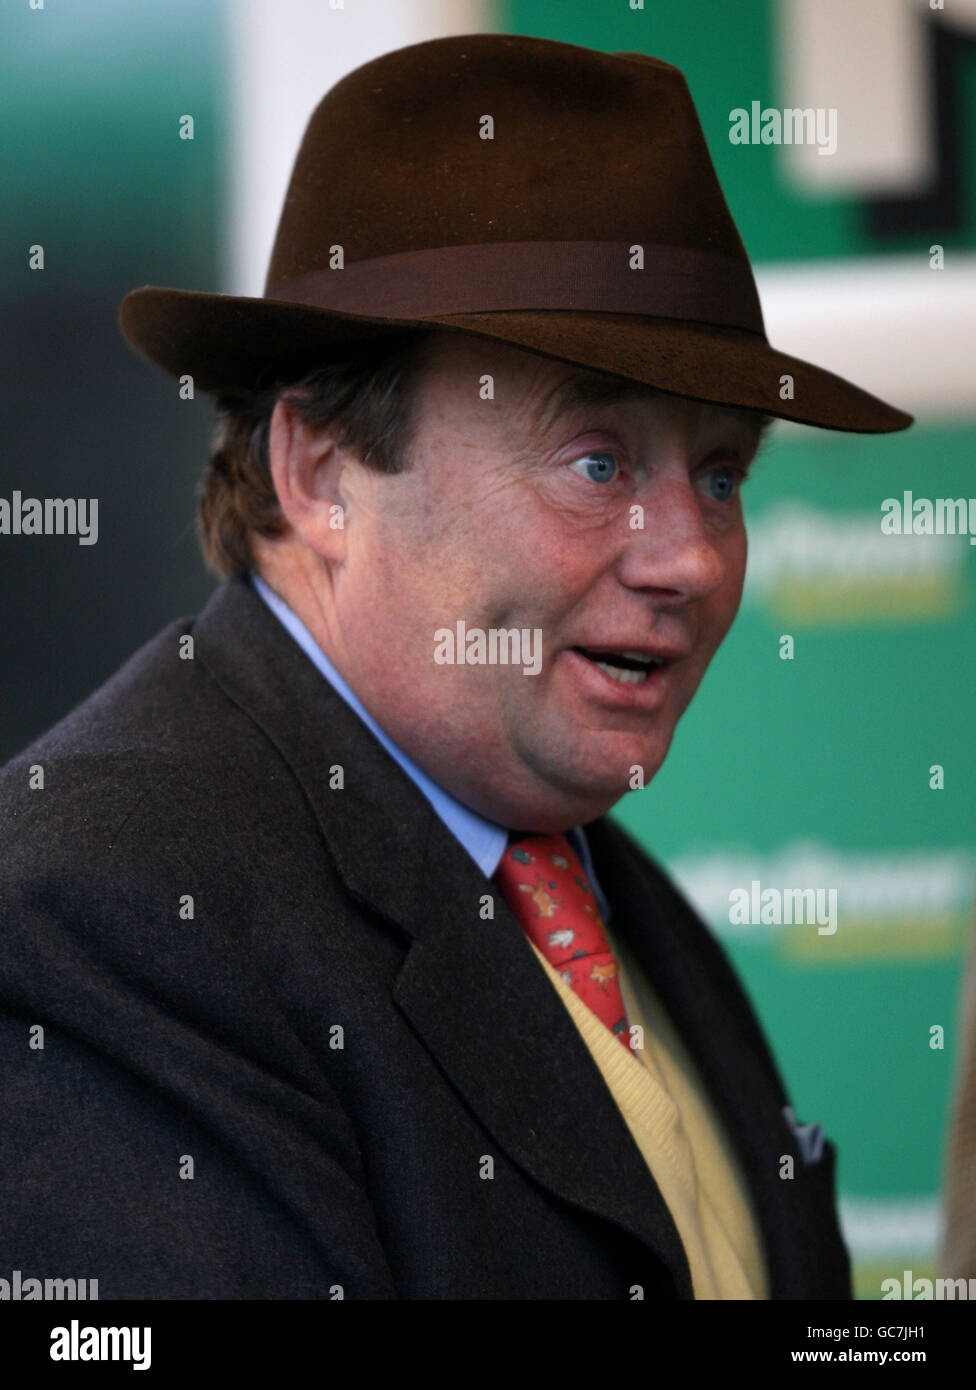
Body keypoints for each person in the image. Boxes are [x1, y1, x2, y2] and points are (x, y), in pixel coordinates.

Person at [0, 32, 912, 1300]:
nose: (692, 558)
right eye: (596, 462)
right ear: (320, 471)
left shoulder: (605, 896)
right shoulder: (106, 916)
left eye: (721, 474)